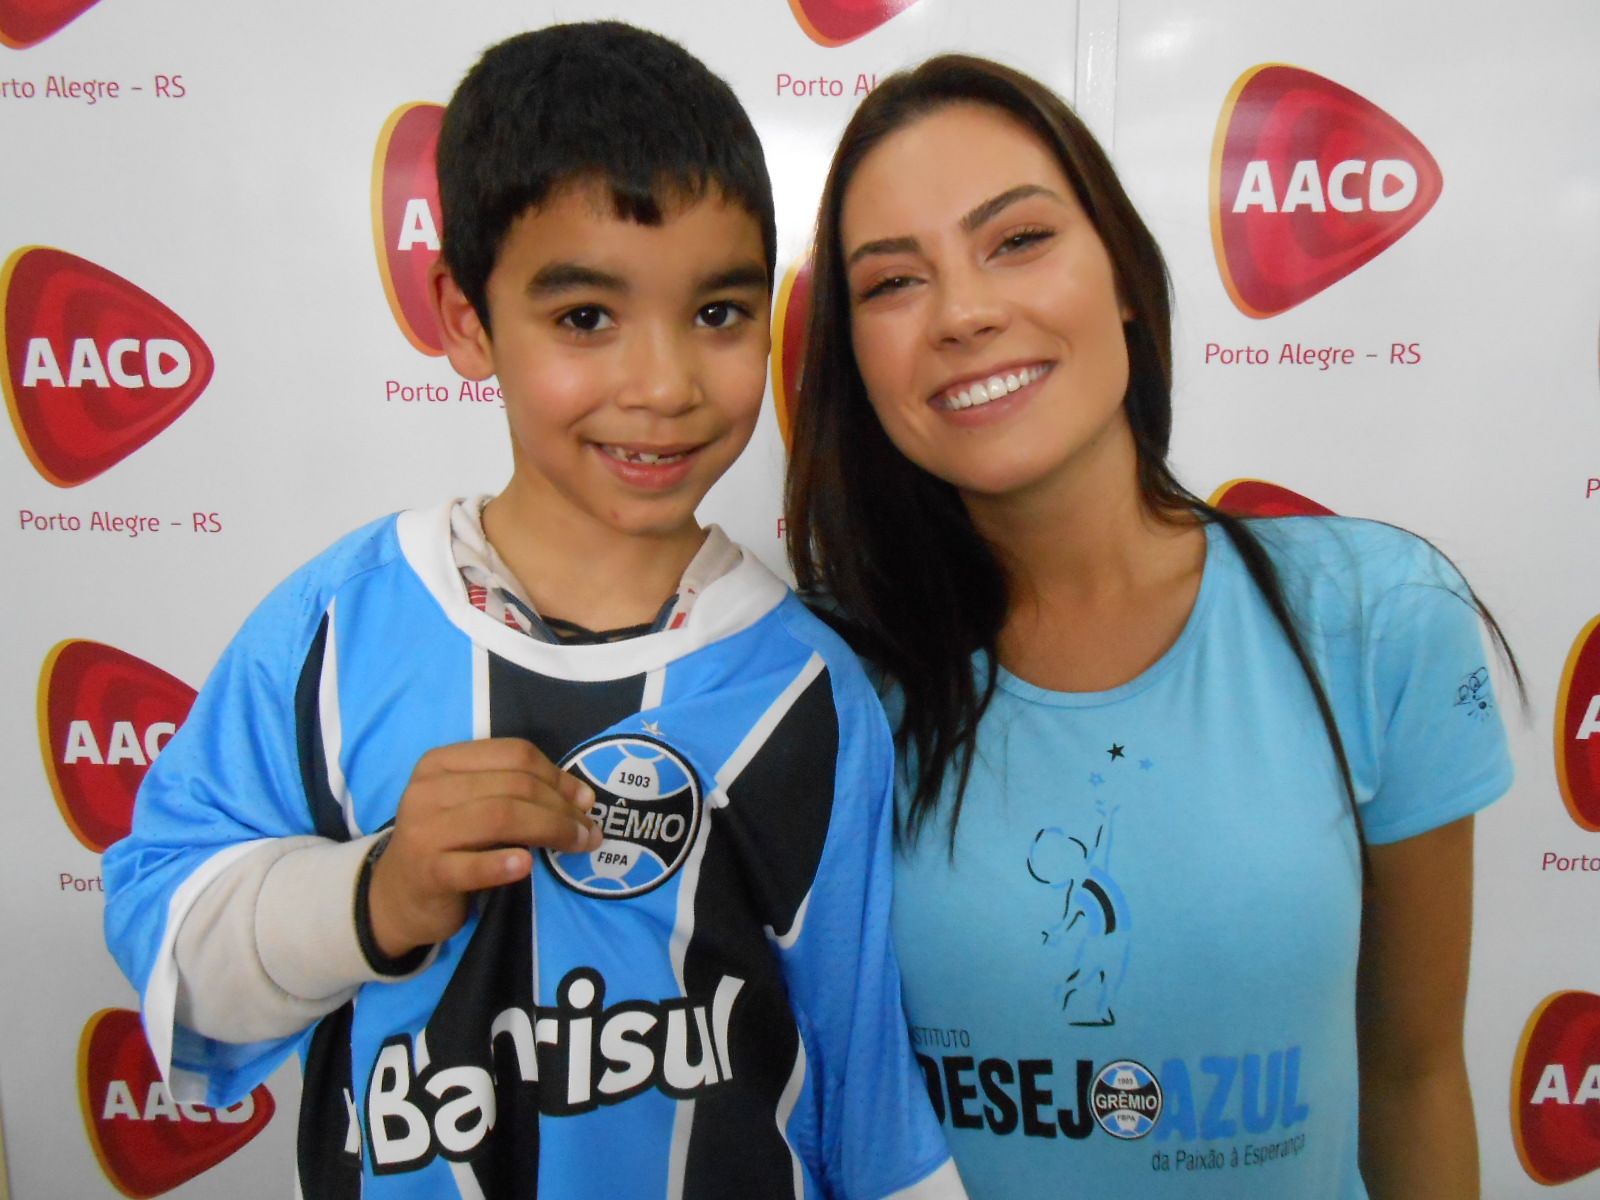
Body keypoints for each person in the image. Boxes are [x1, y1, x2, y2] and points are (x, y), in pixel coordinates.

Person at [102, 25, 963, 1200]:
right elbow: (171, 959)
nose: (662, 385)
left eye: (717, 313)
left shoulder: (806, 692)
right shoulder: (334, 634)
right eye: (585, 318)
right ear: (464, 318)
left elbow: (869, 1103)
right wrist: (376, 895)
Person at [783, 54, 1516, 1200]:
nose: (965, 312)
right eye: (891, 284)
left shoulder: (1379, 618)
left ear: (1123, 272)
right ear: (855, 362)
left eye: (1017, 240)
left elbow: (1416, 1077)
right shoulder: (819, 681)